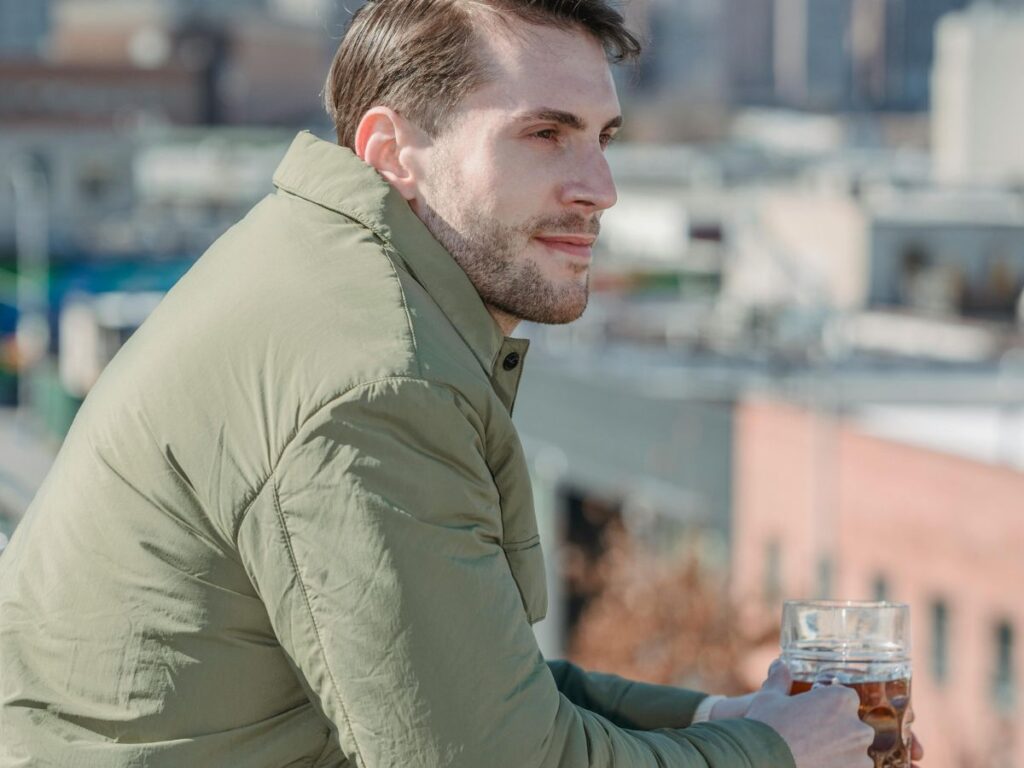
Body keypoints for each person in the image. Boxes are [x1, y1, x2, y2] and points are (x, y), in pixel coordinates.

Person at [0, 2, 920, 767]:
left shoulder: (327, 271)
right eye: (544, 135)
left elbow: (461, 682)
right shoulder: (374, 378)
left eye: (602, 137)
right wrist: (778, 756)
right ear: (393, 152)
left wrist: (717, 725)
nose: (600, 186)